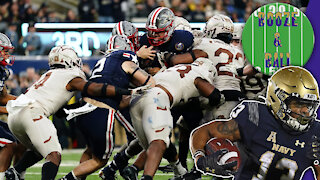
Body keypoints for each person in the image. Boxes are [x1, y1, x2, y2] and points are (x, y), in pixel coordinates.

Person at [6, 44, 140, 180]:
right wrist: (123, 91)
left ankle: (15, 171)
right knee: (54, 155)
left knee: (40, 150)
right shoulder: (71, 76)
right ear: (69, 60)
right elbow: (93, 88)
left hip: (15, 115)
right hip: (32, 113)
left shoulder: (48, 74)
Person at [189, 66, 320, 180]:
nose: (305, 112)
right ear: (277, 99)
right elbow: (205, 132)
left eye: (308, 106)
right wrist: (200, 159)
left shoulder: (316, 133)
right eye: (297, 104)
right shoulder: (255, 116)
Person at [60, 35, 155, 180]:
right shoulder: (125, 60)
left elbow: (118, 100)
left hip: (84, 109)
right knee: (100, 160)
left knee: (90, 150)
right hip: (100, 111)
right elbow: (150, 83)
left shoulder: (103, 62)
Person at [128, 57, 224, 180]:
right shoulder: (200, 74)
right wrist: (219, 98)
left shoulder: (175, 69)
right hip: (157, 98)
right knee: (159, 143)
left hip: (136, 98)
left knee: (153, 145)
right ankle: (145, 177)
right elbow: (214, 95)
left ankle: (133, 169)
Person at [0, 33, 20, 180]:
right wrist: (9, 110)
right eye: (4, 51)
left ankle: (18, 174)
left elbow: (3, 97)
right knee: (8, 143)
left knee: (17, 139)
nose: (7, 55)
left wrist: (26, 100)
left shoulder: (1, 71)